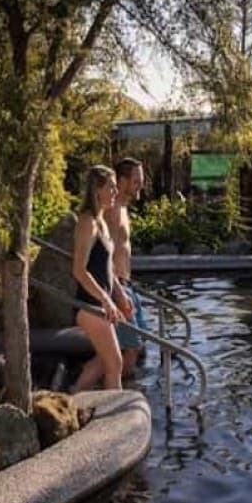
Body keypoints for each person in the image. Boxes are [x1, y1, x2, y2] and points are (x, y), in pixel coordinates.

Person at [71, 166, 125, 392]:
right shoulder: (87, 223)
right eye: (111, 186)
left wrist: (119, 294)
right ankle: (115, 420)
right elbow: (79, 270)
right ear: (97, 190)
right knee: (116, 364)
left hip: (100, 304)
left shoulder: (101, 222)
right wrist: (105, 299)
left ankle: (71, 400)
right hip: (89, 305)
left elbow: (107, 268)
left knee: (105, 362)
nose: (115, 191)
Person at [104, 157, 148, 378]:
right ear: (121, 181)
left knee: (137, 345)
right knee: (130, 348)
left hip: (127, 285)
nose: (141, 185)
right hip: (117, 287)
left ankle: (121, 387)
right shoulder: (111, 212)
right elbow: (105, 256)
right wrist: (117, 292)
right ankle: (120, 393)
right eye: (136, 180)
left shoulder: (122, 208)